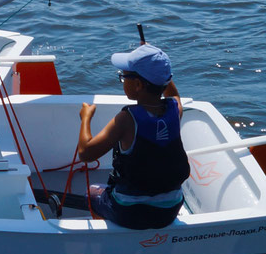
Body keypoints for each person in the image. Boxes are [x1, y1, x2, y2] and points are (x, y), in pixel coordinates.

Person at [74, 43, 190, 229]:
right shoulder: (175, 110)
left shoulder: (126, 120)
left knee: (91, 193)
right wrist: (157, 68)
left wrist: (85, 118)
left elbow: (85, 153)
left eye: (124, 77)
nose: (122, 81)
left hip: (130, 214)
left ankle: (113, 234)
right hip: (170, 210)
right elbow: (173, 93)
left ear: (137, 85)